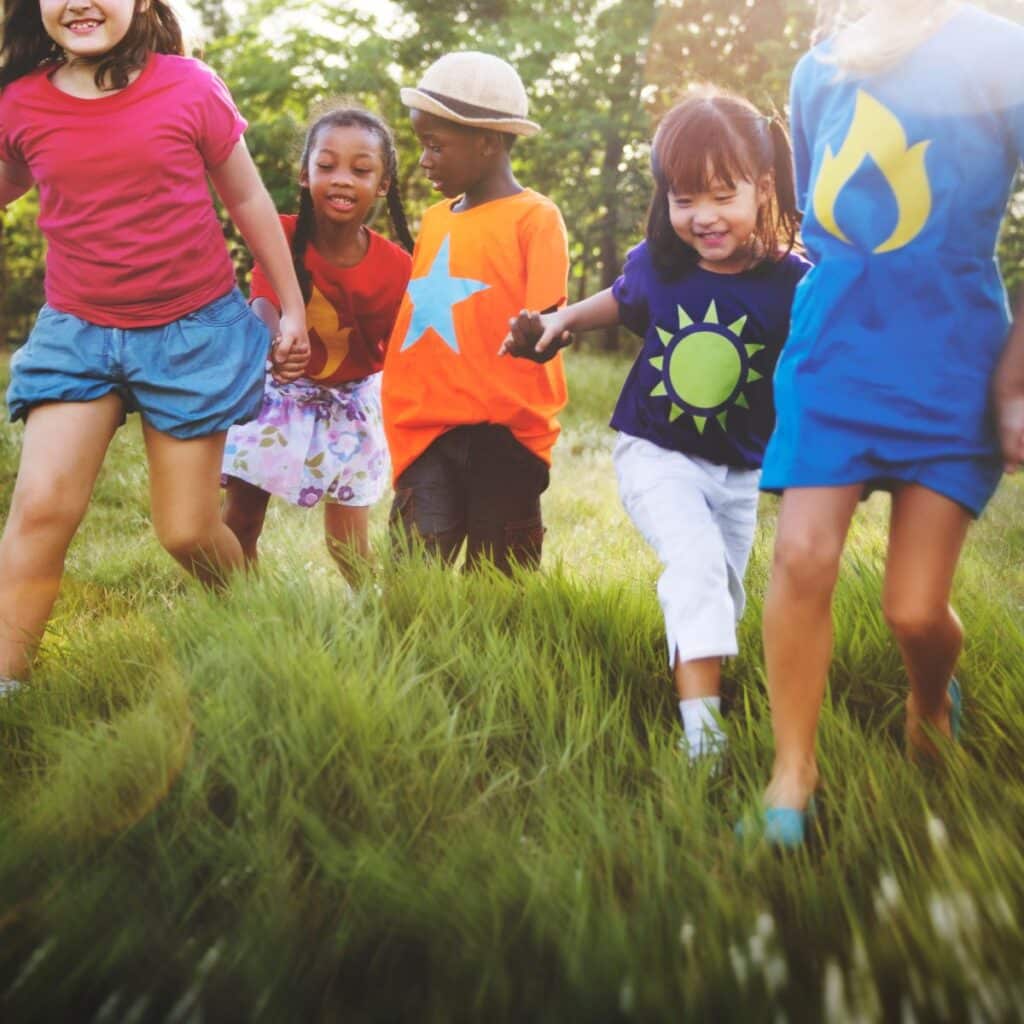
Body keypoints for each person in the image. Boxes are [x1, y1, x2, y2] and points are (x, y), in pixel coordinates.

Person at [754, 0, 1024, 845]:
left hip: (954, 364)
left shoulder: (1001, 50)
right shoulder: (818, 68)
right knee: (801, 556)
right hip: (832, 354)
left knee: (913, 611)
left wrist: (1017, 376)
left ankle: (928, 704)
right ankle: (791, 775)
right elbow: (824, 223)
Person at [0, 0, 309, 692]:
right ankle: (8, 688)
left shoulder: (189, 87)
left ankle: (261, 621)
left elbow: (250, 201)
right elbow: (13, 179)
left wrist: (292, 307)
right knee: (41, 506)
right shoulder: (20, 104)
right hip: (78, 335)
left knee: (187, 532)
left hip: (188, 334)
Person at [503, 88, 807, 761]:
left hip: (739, 467)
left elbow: (836, 352)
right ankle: (704, 738)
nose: (701, 217)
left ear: (762, 188)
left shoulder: (795, 283)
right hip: (656, 452)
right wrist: (555, 323)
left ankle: (715, 689)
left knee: (724, 588)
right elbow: (612, 302)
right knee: (695, 566)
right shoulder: (661, 266)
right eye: (683, 198)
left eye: (721, 195)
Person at [381, 51, 569, 575]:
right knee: (413, 583)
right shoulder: (436, 219)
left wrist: (539, 333)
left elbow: (552, 317)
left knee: (500, 588)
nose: (423, 160)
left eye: (435, 146)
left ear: (486, 143)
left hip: (506, 438)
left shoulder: (536, 218)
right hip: (429, 431)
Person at [222, 107, 414, 581]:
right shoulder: (282, 234)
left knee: (347, 545)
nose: (342, 179)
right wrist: (274, 343)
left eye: (361, 169)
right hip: (276, 399)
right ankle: (238, 613)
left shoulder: (398, 267)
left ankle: (374, 616)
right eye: (326, 166)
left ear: (384, 183)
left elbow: (406, 347)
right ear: (305, 175)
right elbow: (264, 299)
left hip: (350, 408)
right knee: (241, 522)